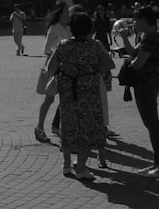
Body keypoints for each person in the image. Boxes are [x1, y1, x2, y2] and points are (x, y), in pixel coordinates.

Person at [46, 11, 113, 181]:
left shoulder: (63, 45)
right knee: (87, 130)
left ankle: (67, 165)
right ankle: (81, 168)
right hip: (89, 93)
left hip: (68, 92)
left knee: (67, 128)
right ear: (90, 28)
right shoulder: (95, 45)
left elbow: (50, 68)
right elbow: (108, 64)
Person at [119, 5, 159, 178]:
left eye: (137, 20)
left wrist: (128, 63)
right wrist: (125, 40)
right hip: (147, 82)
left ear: (144, 21)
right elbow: (134, 52)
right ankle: (158, 164)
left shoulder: (151, 38)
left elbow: (138, 62)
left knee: (153, 125)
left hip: (147, 82)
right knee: (150, 124)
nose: (134, 23)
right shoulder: (147, 37)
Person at [35, 1, 70, 142]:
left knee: (65, 99)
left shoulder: (67, 28)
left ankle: (59, 127)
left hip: (66, 67)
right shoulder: (54, 28)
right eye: (66, 11)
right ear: (60, 13)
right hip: (55, 67)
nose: (68, 14)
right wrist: (59, 53)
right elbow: (46, 49)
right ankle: (39, 127)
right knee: (49, 99)